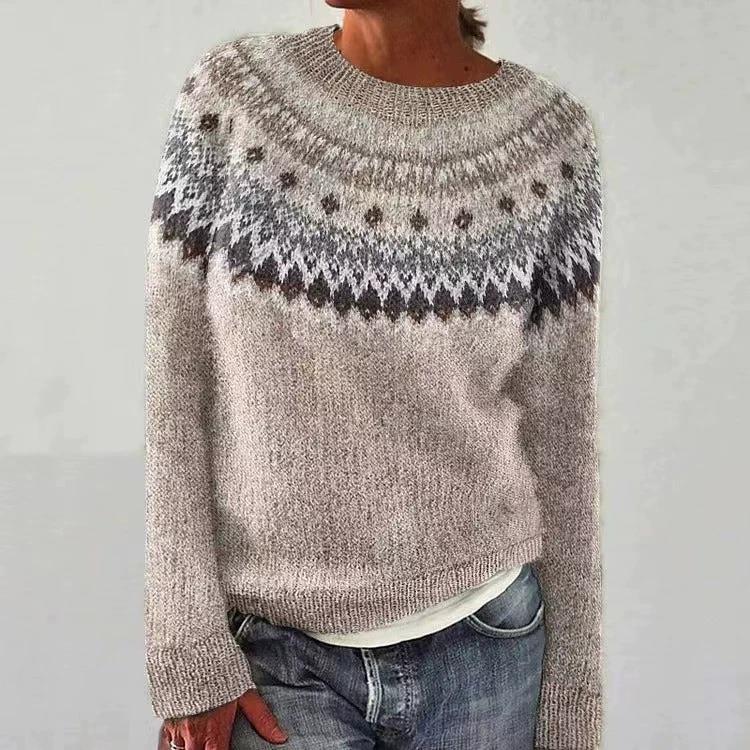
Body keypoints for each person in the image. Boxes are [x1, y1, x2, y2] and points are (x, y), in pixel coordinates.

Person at [144, 2, 604, 749]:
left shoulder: (548, 143)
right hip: (275, 658)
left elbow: (563, 437)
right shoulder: (233, 101)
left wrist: (572, 700)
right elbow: (174, 388)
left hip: (489, 646)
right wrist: (188, 650)